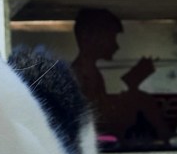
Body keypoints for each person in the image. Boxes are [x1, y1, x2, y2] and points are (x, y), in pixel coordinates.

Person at [71, 8, 171, 144]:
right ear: (91, 36)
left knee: (141, 99)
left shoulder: (90, 71)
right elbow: (99, 117)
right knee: (142, 99)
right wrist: (131, 94)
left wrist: (132, 85)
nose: (116, 45)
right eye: (112, 37)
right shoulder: (83, 73)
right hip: (100, 138)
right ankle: (168, 138)